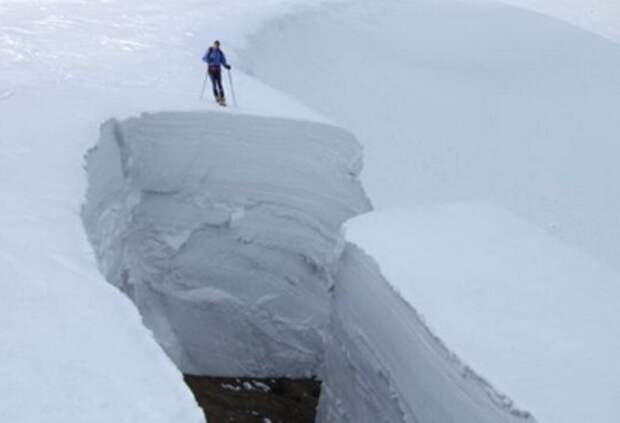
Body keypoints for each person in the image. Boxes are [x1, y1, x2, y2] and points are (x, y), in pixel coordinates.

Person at [202, 40, 231, 106]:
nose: (216, 46)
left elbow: (223, 61)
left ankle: (222, 99)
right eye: (215, 45)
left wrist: (226, 66)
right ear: (213, 45)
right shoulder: (210, 51)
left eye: (217, 45)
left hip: (218, 70)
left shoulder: (220, 53)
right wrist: (209, 60)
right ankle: (217, 97)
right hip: (211, 70)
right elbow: (203, 58)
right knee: (214, 84)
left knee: (220, 84)